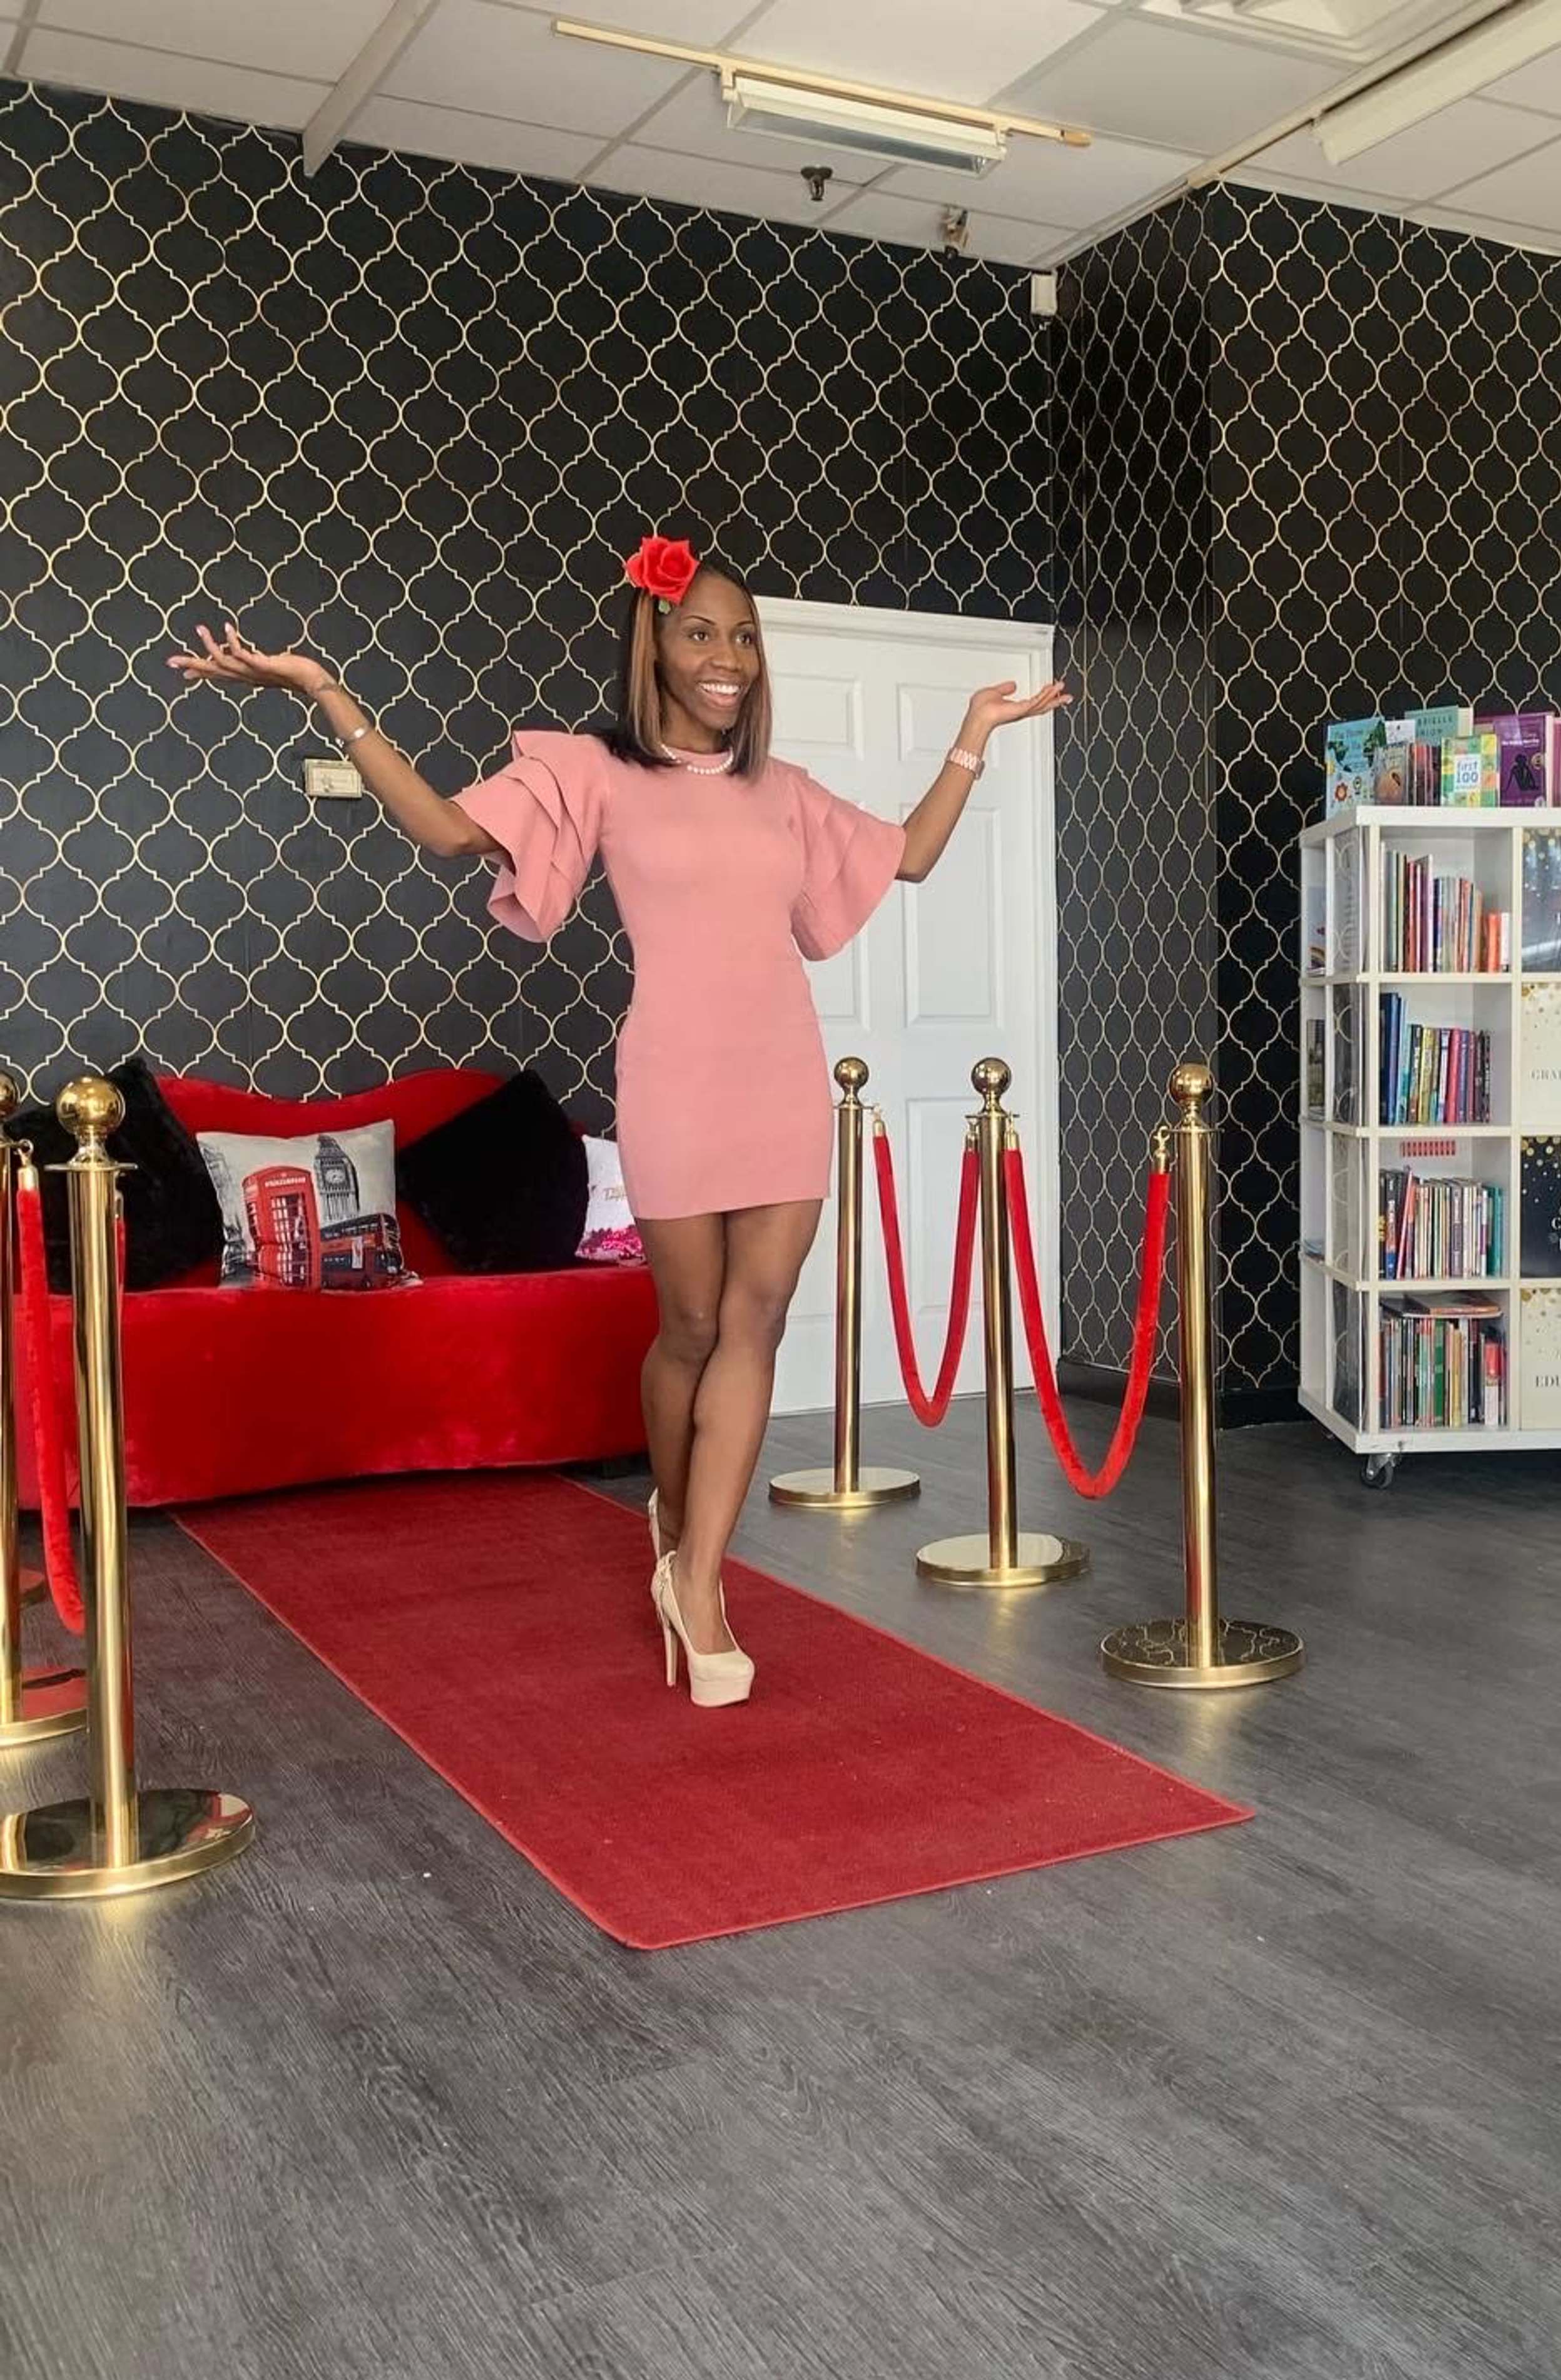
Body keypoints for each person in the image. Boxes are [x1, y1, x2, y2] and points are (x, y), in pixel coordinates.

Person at [168, 538, 1067, 1709]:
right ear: (654, 646)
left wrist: (973, 734)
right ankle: (672, 1514)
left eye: (743, 635)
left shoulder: (783, 789)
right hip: (675, 1079)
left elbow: (911, 856)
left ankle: (699, 1581)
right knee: (688, 1326)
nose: (727, 655)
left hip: (783, 1075)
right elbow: (446, 830)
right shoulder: (592, 769)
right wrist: (324, 692)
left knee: (757, 1320)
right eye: (700, 632)